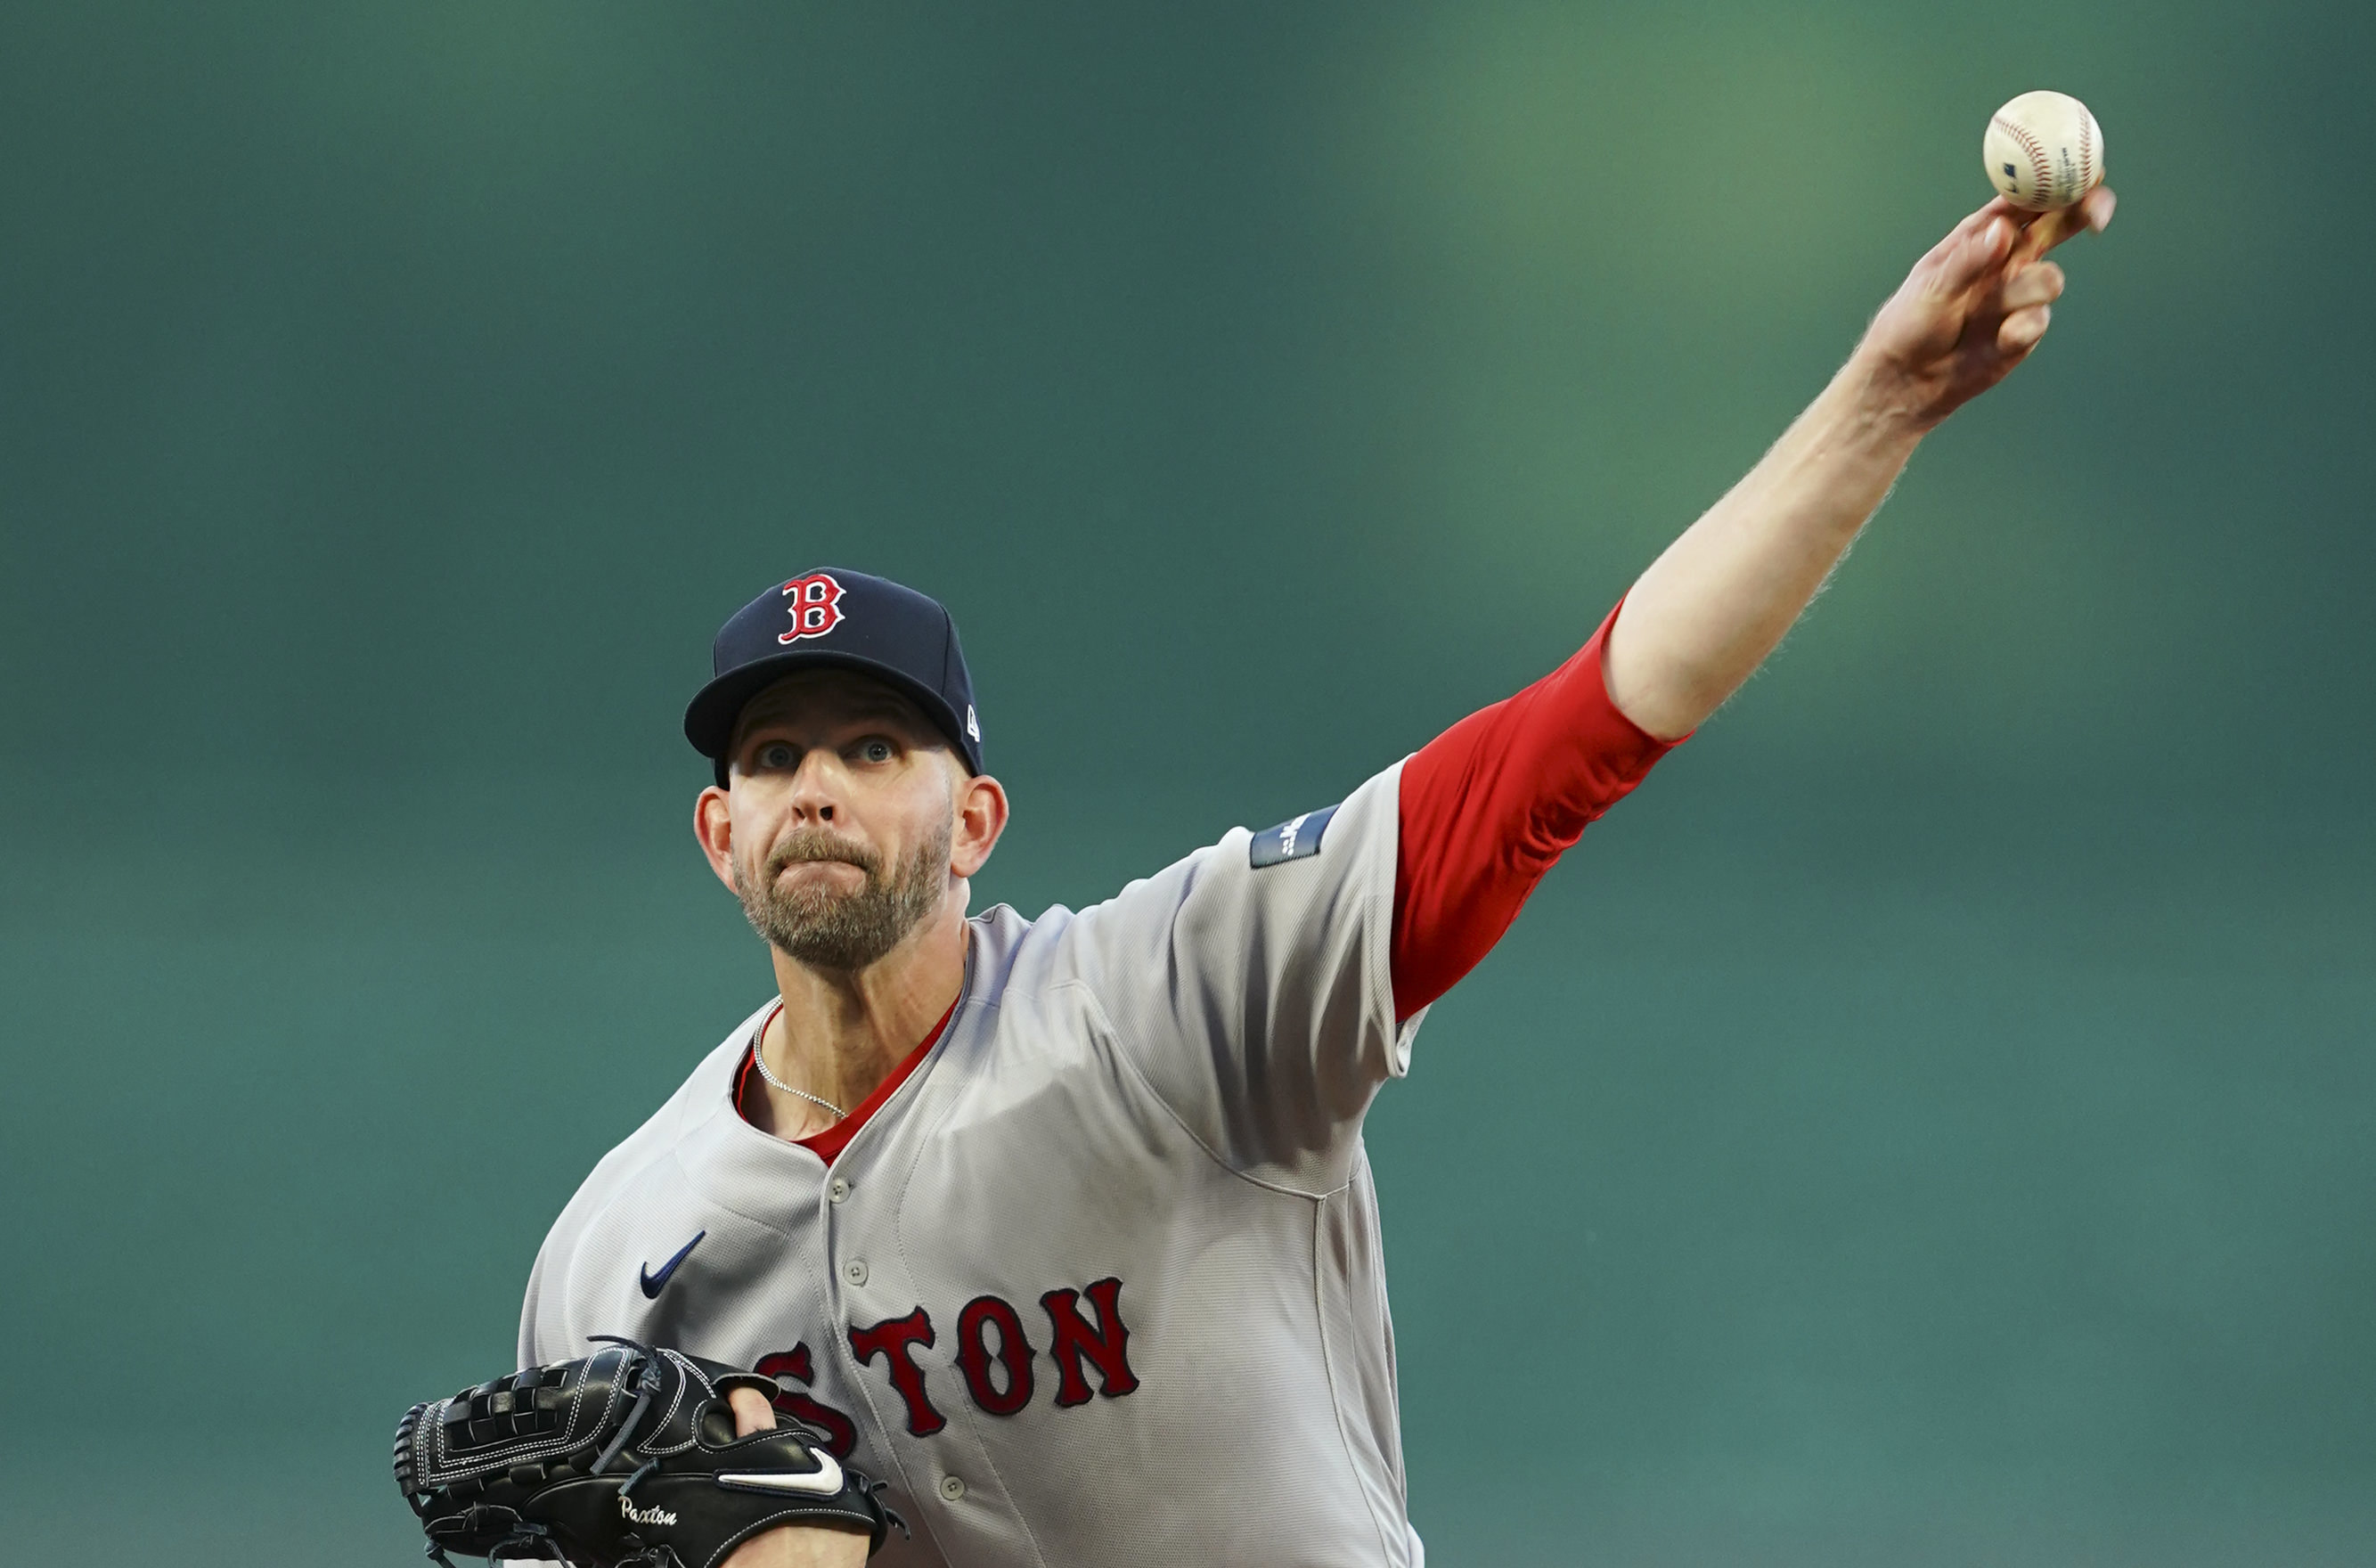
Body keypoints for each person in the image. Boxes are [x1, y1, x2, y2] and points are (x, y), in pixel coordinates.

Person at [518, 187, 2116, 1567]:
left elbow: (1574, 742)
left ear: (977, 819)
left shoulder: (1177, 1004)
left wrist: (1877, 405)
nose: (820, 789)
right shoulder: (623, 1251)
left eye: (876, 747)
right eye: (774, 757)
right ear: (720, 833)